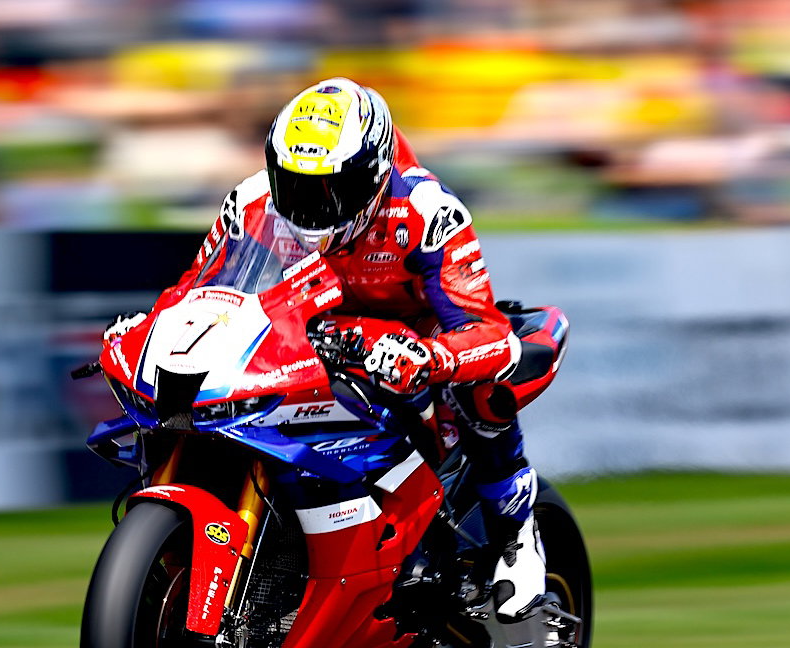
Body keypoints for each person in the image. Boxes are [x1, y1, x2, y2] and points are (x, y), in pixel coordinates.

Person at [113, 77, 545, 620]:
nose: (307, 208)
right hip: (308, 342)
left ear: (372, 177)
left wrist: (429, 358)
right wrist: (153, 326)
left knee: (485, 391)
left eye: (328, 191)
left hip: (410, 349)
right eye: (293, 186)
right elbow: (200, 287)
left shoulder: (428, 214)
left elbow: (487, 332)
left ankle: (515, 535)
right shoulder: (251, 203)